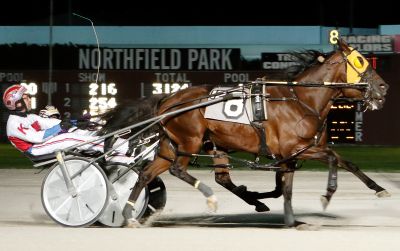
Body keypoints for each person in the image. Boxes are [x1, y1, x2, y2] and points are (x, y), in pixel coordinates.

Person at [3, 84, 134, 163]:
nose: (30, 99)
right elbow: (37, 138)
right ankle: (119, 149)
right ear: (17, 103)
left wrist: (77, 122)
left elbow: (52, 123)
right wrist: (61, 127)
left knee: (81, 132)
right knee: (68, 137)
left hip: (43, 144)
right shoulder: (13, 123)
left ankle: (122, 149)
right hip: (36, 149)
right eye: (26, 98)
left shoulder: (30, 116)